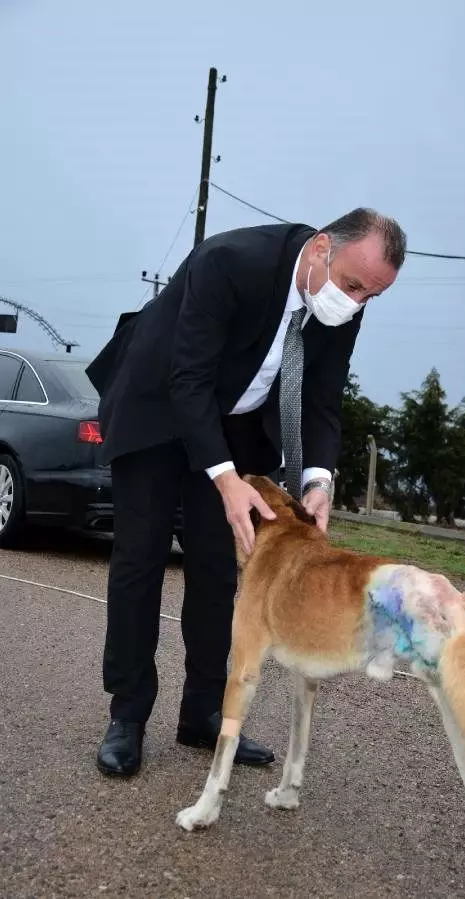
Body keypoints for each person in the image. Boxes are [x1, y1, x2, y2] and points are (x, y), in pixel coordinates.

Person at [86, 208, 406, 777]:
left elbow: (323, 398)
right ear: (319, 250)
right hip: (158, 406)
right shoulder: (230, 261)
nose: (355, 302)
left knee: (219, 569)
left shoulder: (344, 304)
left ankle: (203, 713)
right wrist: (226, 480)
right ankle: (128, 715)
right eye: (353, 285)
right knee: (141, 558)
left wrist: (317, 482)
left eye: (371, 297)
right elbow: (189, 380)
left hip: (234, 422)